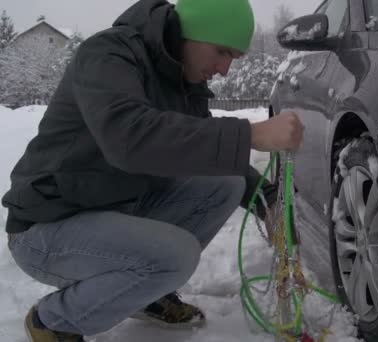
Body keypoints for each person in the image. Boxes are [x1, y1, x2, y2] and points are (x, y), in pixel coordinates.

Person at [1, 0, 304, 340]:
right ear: (192, 31)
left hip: (113, 209)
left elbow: (204, 145)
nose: (224, 70)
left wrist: (266, 198)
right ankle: (53, 320)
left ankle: (147, 292)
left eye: (233, 58)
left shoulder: (180, 80)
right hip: (47, 224)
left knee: (225, 182)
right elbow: (128, 138)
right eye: (222, 51)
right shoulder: (107, 55)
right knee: (176, 257)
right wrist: (250, 134)